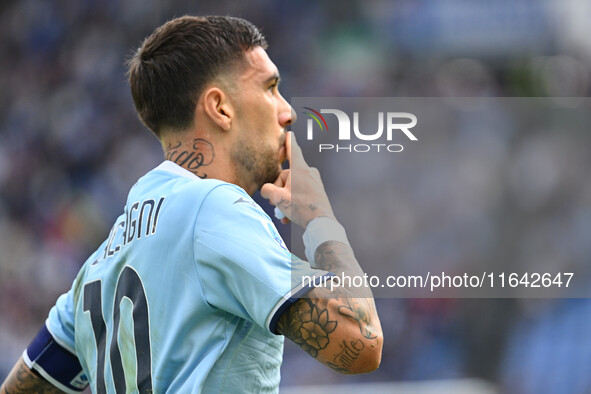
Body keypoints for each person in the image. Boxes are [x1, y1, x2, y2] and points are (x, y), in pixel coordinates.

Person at [0, 15, 383, 393]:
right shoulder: (214, 208)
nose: (288, 111)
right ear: (220, 107)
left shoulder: (102, 260)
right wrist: (320, 220)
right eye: (270, 88)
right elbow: (362, 344)